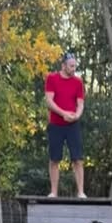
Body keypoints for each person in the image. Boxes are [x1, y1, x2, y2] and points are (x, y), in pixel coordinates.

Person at [44, 52, 86, 198]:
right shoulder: (52, 78)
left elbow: (80, 103)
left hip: (72, 125)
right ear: (63, 66)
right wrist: (63, 113)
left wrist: (77, 115)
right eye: (71, 66)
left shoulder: (78, 82)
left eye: (75, 66)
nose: (74, 69)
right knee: (54, 159)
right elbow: (49, 101)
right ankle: (54, 192)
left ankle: (81, 192)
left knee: (78, 158)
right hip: (56, 124)